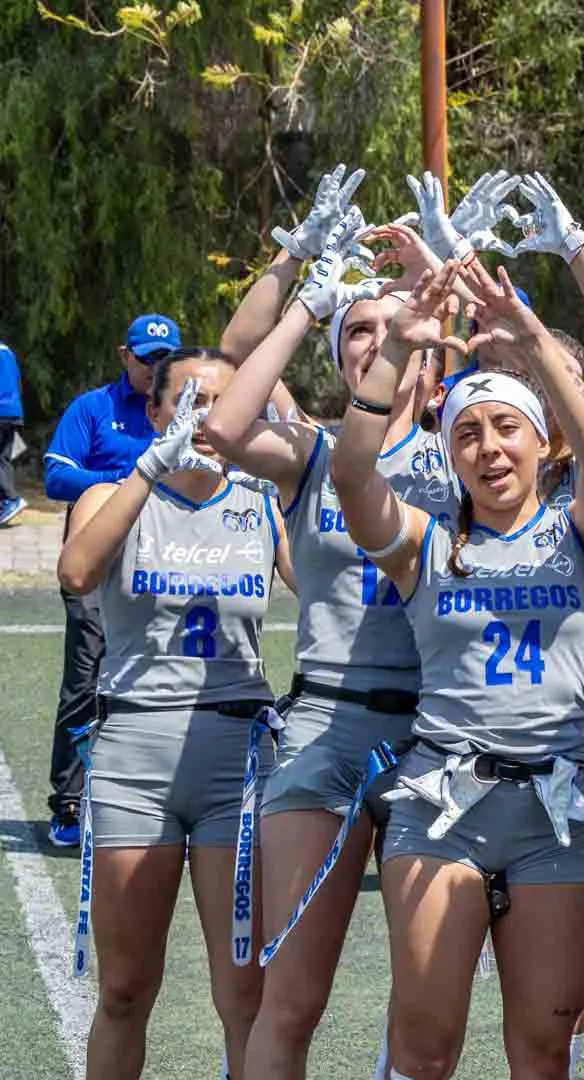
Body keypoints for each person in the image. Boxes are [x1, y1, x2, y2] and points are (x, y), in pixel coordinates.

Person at [329, 259, 584, 1079]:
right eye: (468, 432)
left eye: (506, 427)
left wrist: (532, 337)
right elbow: (352, 476)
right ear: (449, 451)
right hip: (442, 806)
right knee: (425, 1049)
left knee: (543, 1049)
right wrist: (396, 346)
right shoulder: (425, 543)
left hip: (556, 810)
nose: (489, 447)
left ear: (544, 440)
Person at [198, 178, 460, 1079]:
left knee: (425, 1008)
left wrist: (448, 274)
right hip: (327, 724)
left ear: (430, 355)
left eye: (395, 333)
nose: (378, 343)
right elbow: (224, 418)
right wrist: (308, 292)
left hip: (438, 736)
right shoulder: (312, 451)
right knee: (293, 997)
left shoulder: (470, 451)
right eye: (361, 331)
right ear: (344, 355)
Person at [54, 348, 292, 1080]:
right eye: (186, 401)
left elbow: (331, 592)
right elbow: (76, 570)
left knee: (244, 994)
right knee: (124, 989)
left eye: (221, 403)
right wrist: (149, 468)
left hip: (236, 761)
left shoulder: (262, 506)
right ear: (153, 411)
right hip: (134, 755)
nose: (203, 419)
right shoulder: (112, 495)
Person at [42, 313, 178, 847]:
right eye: (146, 359)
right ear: (126, 355)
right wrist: (124, 483)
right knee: (86, 677)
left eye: (164, 360)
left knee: (164, 678)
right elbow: (56, 474)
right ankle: (69, 801)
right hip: (98, 563)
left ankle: (155, 797)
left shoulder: (184, 410)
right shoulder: (92, 409)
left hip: (168, 561)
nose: (155, 368)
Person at [0, 336, 23, 525]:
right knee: (3, 458)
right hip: (13, 412)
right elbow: (18, 383)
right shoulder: (8, 352)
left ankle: (11, 499)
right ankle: (6, 502)